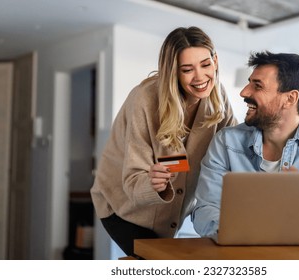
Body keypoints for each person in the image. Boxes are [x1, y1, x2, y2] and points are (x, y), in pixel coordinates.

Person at [90, 26, 238, 256]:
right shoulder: (144, 100)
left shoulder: (217, 96)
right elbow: (133, 180)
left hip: (172, 216)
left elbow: (236, 144)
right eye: (187, 69)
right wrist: (152, 182)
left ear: (215, 60)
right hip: (124, 210)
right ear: (173, 72)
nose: (200, 77)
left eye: (206, 65)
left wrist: (296, 119)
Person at [192, 51, 299, 237]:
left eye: (257, 86)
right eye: (249, 82)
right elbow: (205, 209)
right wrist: (242, 236)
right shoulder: (226, 141)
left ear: (290, 99)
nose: (244, 92)